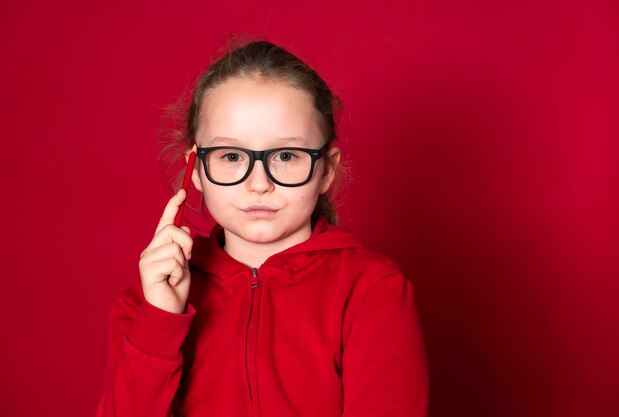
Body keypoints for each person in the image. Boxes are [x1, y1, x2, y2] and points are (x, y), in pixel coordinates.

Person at [96, 38, 429, 417]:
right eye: (232, 156)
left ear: (326, 170)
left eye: (286, 156)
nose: (258, 183)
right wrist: (160, 321)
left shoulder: (372, 289)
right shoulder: (147, 301)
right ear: (196, 169)